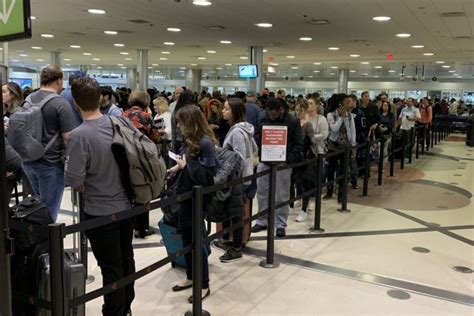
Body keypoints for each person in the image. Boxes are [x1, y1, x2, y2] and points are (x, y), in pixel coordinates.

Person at [65, 77, 135, 316]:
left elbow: (73, 178)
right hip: (127, 204)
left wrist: (84, 185)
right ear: (100, 98)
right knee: (126, 257)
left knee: (110, 266)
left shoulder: (79, 135)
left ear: (75, 103)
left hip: (99, 211)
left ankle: (114, 311)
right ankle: (125, 306)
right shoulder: (120, 122)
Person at [168, 105, 217, 303]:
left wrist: (186, 166)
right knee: (187, 240)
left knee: (197, 243)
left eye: (180, 122)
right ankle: (190, 276)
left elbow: (208, 176)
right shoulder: (189, 142)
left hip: (196, 200)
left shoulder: (206, 143)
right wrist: (175, 168)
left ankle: (203, 284)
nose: (178, 126)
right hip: (184, 196)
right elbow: (185, 162)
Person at [22, 65, 75, 222]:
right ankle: (47, 246)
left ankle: (36, 242)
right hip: (50, 164)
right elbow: (68, 138)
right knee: (49, 212)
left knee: (37, 208)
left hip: (28, 162)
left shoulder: (28, 100)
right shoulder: (60, 104)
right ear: (59, 80)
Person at [251, 98, 303, 237]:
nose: (271, 117)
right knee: (262, 192)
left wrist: (288, 160)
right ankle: (262, 220)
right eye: (269, 114)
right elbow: (256, 136)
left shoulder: (292, 121)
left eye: (274, 115)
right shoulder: (263, 118)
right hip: (265, 161)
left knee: (281, 194)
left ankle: (280, 223)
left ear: (280, 110)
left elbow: (299, 143)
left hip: (282, 163)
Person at [214, 97, 257, 262]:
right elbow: (253, 149)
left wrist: (220, 151)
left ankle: (236, 247)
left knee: (236, 213)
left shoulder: (238, 132)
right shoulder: (244, 129)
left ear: (235, 112)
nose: (223, 111)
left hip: (237, 178)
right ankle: (228, 241)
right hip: (242, 176)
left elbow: (238, 157)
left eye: (226, 109)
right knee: (233, 211)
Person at [123, 90, 159, 239]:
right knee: (144, 191)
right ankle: (141, 228)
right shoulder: (146, 117)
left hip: (124, 157)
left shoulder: (122, 115)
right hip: (142, 159)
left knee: (127, 192)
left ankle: (128, 225)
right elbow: (154, 137)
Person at [324, 94, 356, 203]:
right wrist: (341, 117)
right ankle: (329, 190)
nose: (349, 105)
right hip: (333, 146)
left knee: (343, 170)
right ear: (340, 104)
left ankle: (341, 194)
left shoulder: (350, 116)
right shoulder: (330, 115)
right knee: (331, 170)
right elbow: (334, 129)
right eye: (347, 102)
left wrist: (353, 145)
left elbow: (352, 131)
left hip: (345, 147)